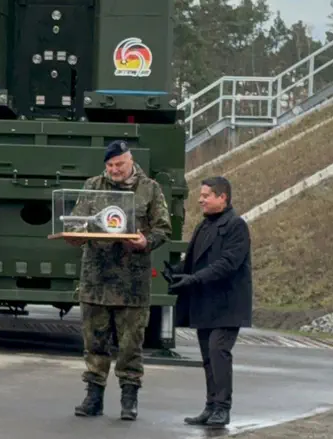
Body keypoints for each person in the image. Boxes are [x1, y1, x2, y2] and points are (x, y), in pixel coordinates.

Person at [66, 140, 171, 420]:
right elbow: (77, 220)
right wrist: (75, 234)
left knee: (130, 345)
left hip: (132, 282)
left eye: (119, 164)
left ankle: (129, 398)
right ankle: (93, 397)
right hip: (96, 279)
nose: (114, 170)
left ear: (130, 160)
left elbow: (163, 228)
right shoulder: (92, 186)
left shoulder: (149, 188)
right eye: (110, 165)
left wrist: (146, 242)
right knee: (94, 342)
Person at [165, 176, 252, 427]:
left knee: (218, 352)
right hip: (205, 303)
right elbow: (193, 261)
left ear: (222, 197)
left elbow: (227, 264)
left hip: (227, 304)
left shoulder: (236, 226)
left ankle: (223, 408)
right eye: (201, 195)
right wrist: (174, 271)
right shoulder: (204, 226)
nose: (200, 200)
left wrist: (193, 279)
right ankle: (211, 406)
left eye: (206, 195)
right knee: (208, 356)